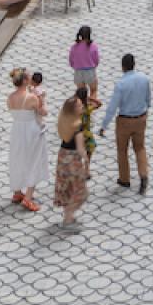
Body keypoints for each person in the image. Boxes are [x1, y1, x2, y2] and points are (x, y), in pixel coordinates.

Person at [100, 53, 151, 194]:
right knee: (140, 148)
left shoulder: (121, 84)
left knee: (122, 150)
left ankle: (124, 179)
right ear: (134, 64)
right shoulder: (145, 79)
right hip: (140, 118)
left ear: (122, 67)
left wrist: (104, 126)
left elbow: (112, 107)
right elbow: (148, 99)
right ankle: (143, 175)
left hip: (124, 121)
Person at [6, 69, 45, 211]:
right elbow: (42, 112)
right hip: (31, 130)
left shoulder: (10, 97)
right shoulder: (32, 97)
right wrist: (42, 99)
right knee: (33, 161)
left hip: (17, 130)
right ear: (24, 81)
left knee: (17, 159)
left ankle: (17, 192)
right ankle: (28, 198)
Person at [52, 88, 91, 228]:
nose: (82, 107)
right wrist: (86, 161)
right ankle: (68, 219)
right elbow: (80, 149)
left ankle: (68, 216)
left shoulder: (64, 122)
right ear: (75, 110)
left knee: (67, 188)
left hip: (62, 156)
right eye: (80, 106)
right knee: (80, 191)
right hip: (73, 160)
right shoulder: (78, 126)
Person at [68, 26, 102, 107]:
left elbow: (71, 61)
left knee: (81, 94)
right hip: (90, 72)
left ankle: (82, 108)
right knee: (93, 90)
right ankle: (91, 108)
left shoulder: (74, 47)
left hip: (78, 72)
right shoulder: (93, 46)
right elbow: (96, 61)